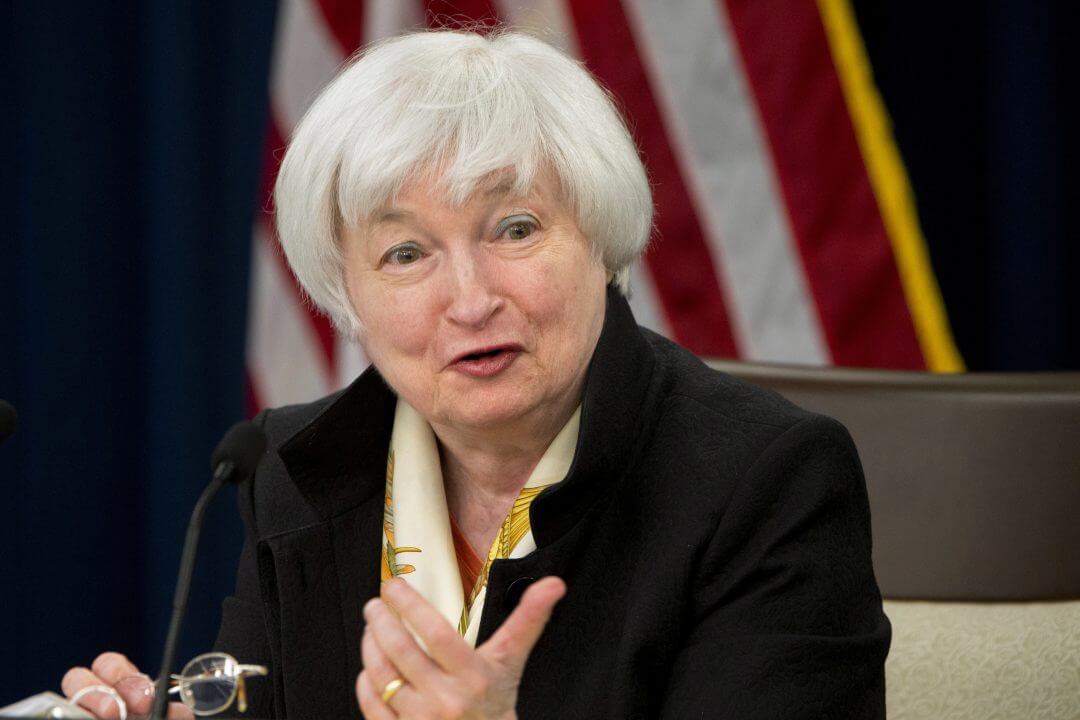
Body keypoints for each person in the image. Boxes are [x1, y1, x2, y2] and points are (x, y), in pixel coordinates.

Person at [62, 28, 890, 719]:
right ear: (346, 293)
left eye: (516, 228)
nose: (470, 299)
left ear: (599, 236)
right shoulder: (297, 467)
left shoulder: (765, 481)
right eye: (406, 253)